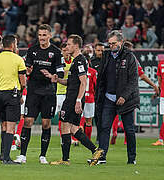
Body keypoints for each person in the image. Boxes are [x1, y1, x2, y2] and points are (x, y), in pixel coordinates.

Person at [45, 34, 103, 166]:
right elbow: (71, 82)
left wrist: (78, 100)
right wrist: (57, 79)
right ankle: (95, 150)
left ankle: (66, 159)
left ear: (76, 46)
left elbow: (83, 83)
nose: (67, 47)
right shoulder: (75, 61)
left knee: (65, 126)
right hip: (71, 97)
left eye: (69, 44)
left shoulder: (80, 60)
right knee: (73, 128)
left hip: (72, 99)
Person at [15, 24, 64, 164]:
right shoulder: (32, 50)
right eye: (40, 35)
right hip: (33, 92)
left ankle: (43, 155)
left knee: (46, 124)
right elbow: (28, 67)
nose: (42, 38)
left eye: (44, 35)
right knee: (28, 122)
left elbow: (60, 71)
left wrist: (54, 75)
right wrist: (28, 71)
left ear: (49, 35)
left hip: (48, 93)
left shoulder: (56, 52)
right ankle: (23, 155)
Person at [95, 30, 139, 165]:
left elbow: (133, 81)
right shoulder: (106, 56)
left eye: (114, 43)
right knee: (104, 128)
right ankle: (102, 157)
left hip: (126, 100)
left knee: (129, 129)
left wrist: (124, 96)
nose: (111, 46)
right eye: (109, 44)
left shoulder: (130, 57)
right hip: (108, 98)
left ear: (121, 42)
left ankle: (132, 159)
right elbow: (101, 78)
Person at [0, 34, 26, 164]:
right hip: (12, 95)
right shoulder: (18, 59)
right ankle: (6, 157)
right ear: (13, 44)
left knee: (3, 125)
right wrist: (20, 94)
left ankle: (3, 155)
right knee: (10, 127)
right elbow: (23, 82)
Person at [153, 54, 164, 146]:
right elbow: (159, 81)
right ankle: (161, 139)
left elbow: (160, 80)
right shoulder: (161, 64)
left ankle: (161, 139)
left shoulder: (161, 64)